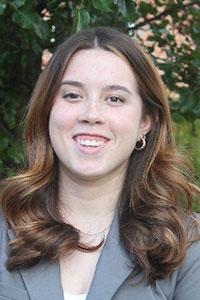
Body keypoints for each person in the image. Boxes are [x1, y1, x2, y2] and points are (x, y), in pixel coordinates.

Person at [0, 27, 200, 300]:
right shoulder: (4, 228)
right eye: (72, 95)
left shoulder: (187, 242)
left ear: (146, 121)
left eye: (114, 99)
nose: (91, 114)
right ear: (47, 109)